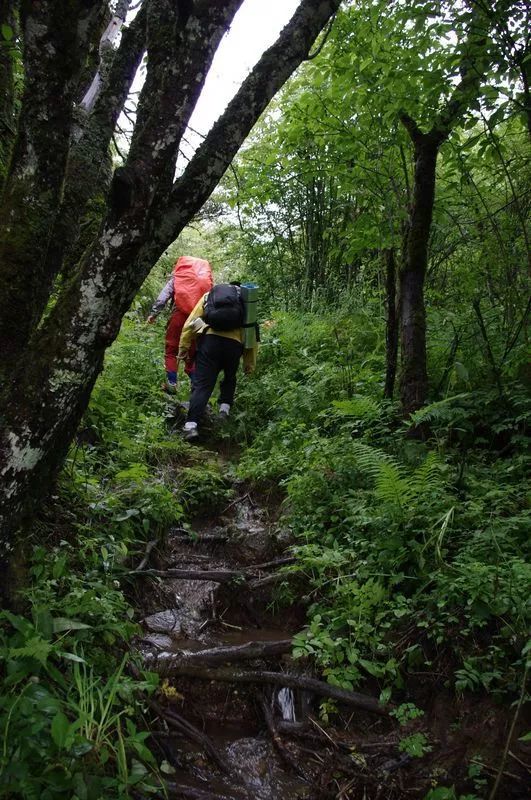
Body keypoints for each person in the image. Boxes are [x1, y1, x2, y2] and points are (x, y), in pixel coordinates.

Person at [177, 283, 258, 441]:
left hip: (210, 342)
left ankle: (191, 426)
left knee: (203, 385)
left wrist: (184, 345)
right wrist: (249, 363)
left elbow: (192, 321)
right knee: (229, 377)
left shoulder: (209, 296)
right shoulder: (246, 302)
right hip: (234, 346)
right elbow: (252, 333)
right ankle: (224, 411)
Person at [147, 256, 213, 391]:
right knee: (193, 354)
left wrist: (154, 314)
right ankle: (197, 387)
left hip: (179, 317)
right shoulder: (205, 281)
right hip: (198, 320)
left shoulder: (178, 278)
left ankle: (171, 384)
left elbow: (162, 298)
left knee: (171, 350)